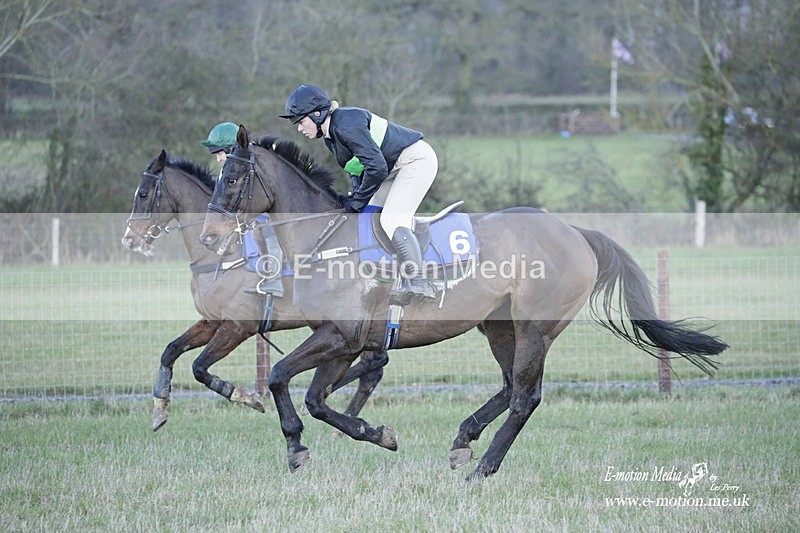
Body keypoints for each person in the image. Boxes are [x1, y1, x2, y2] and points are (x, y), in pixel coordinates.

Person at [279, 84, 437, 303]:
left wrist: (357, 199)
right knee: (367, 217)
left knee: (391, 220)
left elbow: (377, 168)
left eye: (300, 121)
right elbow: (358, 169)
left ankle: (419, 281)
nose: (299, 128)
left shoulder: (346, 124)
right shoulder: (330, 136)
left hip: (415, 161)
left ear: (317, 113)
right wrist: (355, 199)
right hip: (392, 168)